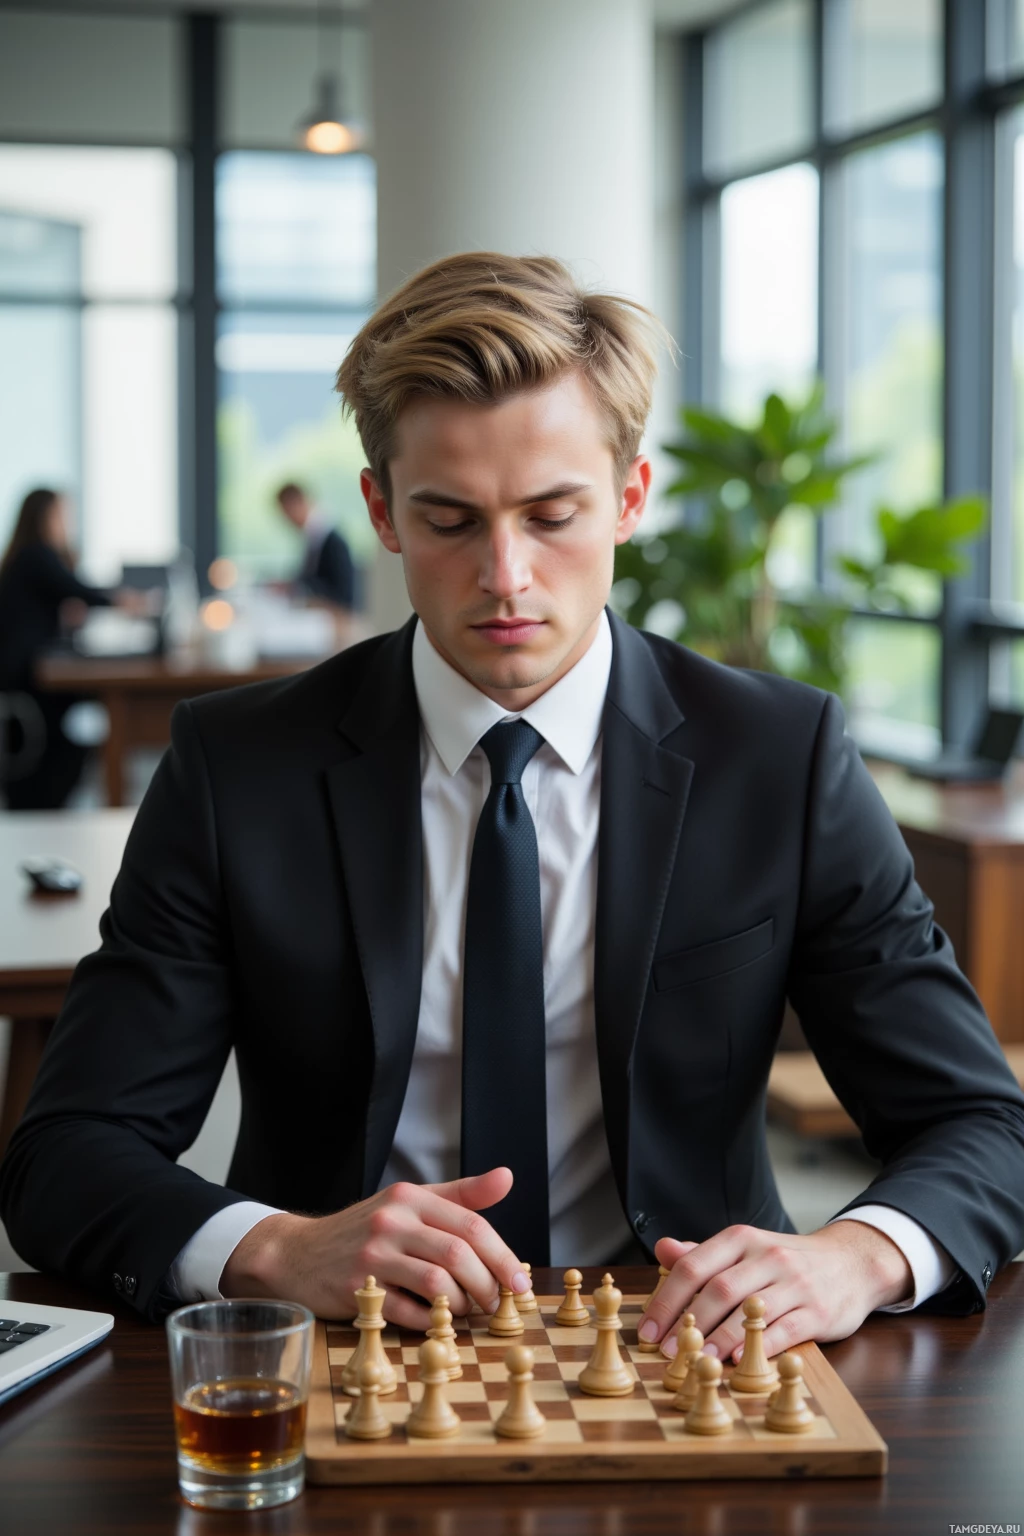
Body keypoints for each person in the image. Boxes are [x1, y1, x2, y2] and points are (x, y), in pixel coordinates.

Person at [2, 255, 1023, 1368]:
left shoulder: (777, 759)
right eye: (449, 520)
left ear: (629, 501)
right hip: (346, 1360)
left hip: (690, 1361)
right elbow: (66, 1153)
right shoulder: (238, 767)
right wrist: (271, 1247)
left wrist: (853, 1255)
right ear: (382, 512)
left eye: (552, 515)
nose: (504, 576)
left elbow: (984, 1125)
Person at [0, 488, 124, 809]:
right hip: (26, 674)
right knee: (81, 722)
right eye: (61, 515)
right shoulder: (36, 555)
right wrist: (124, 600)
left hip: (31, 668)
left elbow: (61, 597)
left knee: (87, 711)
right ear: (44, 517)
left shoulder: (26, 557)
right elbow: (76, 589)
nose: (66, 524)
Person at [275, 482, 358, 610]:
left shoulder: (331, 541)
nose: (287, 520)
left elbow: (343, 596)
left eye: (287, 512)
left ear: (298, 504)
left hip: (336, 616)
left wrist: (299, 590)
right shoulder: (313, 536)